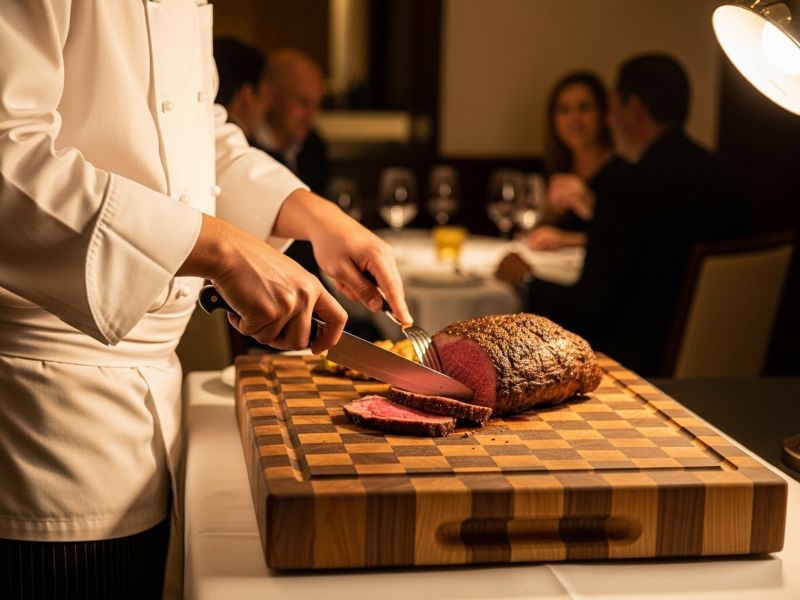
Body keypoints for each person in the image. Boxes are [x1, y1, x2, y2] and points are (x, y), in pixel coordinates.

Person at [0, 4, 410, 598]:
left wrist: (311, 214)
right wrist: (222, 248)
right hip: (39, 407)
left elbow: (198, 131)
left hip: (151, 398)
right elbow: (10, 160)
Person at [497, 54, 752, 376]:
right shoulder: (730, 178)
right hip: (732, 366)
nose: (612, 116)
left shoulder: (630, 186)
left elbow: (587, 311)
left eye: (613, 105)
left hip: (636, 369)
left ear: (634, 108)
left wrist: (524, 280)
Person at [528, 72, 628, 251]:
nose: (574, 119)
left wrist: (590, 208)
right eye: (564, 110)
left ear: (603, 114)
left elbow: (628, 238)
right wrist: (547, 216)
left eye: (584, 108)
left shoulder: (623, 174)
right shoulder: (554, 169)